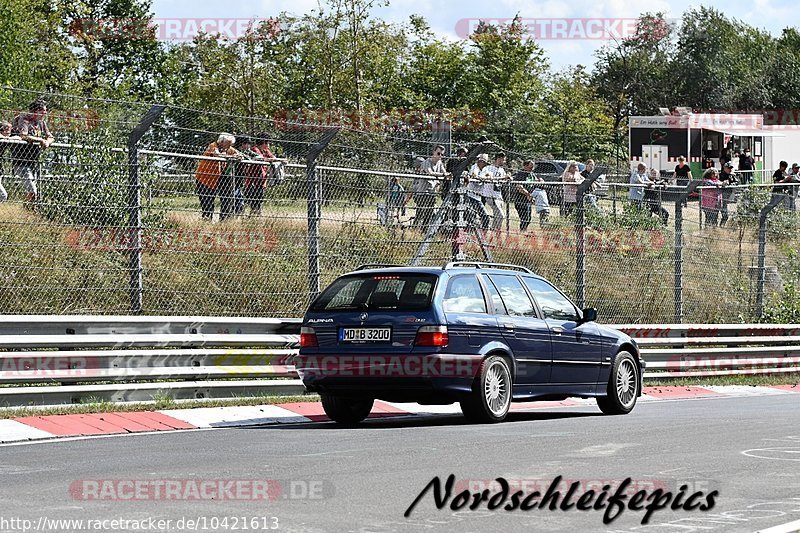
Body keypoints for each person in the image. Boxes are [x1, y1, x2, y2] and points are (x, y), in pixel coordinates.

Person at [11, 99, 54, 208]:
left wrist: (47, 142)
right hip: (21, 161)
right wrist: (40, 140)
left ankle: (24, 211)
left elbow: (51, 136)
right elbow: (24, 136)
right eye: (42, 110)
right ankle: (23, 211)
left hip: (34, 162)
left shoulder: (41, 123)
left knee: (33, 192)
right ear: (35, 111)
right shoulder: (23, 119)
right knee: (32, 190)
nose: (45, 113)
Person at [195, 133, 242, 221]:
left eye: (230, 144)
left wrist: (237, 156)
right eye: (227, 143)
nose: (229, 146)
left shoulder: (229, 149)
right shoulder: (213, 146)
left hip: (217, 179)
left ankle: (224, 219)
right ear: (221, 142)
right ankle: (206, 220)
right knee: (207, 201)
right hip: (204, 179)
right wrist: (231, 157)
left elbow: (239, 155)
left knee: (226, 198)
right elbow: (217, 154)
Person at [464, 153, 491, 231]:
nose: (484, 164)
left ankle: (483, 236)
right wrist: (483, 178)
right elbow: (475, 176)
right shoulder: (474, 167)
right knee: (470, 216)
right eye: (483, 162)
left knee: (485, 217)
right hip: (470, 196)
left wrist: (486, 177)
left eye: (485, 162)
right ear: (480, 161)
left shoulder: (485, 169)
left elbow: (489, 176)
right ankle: (467, 234)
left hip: (478, 197)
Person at [484, 152, 509, 230]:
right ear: (499, 159)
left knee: (497, 216)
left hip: (498, 195)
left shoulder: (501, 170)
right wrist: (503, 178)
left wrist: (508, 177)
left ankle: (492, 232)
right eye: (503, 160)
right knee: (501, 216)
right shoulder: (488, 168)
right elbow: (490, 178)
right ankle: (496, 231)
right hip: (490, 195)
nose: (504, 162)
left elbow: (506, 177)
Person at [512, 160, 535, 231]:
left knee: (528, 219)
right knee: (525, 219)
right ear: (525, 166)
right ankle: (522, 232)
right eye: (530, 167)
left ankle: (524, 231)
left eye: (532, 168)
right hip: (520, 200)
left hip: (528, 200)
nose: (532, 169)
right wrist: (528, 194)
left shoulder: (531, 174)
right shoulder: (521, 174)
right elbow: (519, 187)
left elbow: (536, 181)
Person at [0, 121, 12, 203]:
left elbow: (19, 137)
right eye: (6, 129)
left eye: (9, 130)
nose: (8, 132)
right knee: (3, 195)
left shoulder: (5, 140)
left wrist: (8, 138)